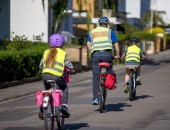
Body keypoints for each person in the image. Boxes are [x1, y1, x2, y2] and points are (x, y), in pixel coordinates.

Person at [38, 34, 75, 119]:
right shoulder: (62, 53)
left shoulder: (46, 51)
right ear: (61, 43)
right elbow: (68, 64)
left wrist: (40, 71)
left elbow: (41, 64)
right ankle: (64, 106)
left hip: (45, 76)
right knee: (65, 88)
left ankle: (42, 107)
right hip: (57, 76)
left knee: (47, 90)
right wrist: (72, 69)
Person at [86, 16, 120, 105]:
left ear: (99, 23)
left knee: (95, 77)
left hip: (96, 55)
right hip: (106, 55)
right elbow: (116, 44)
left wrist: (92, 50)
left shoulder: (92, 31)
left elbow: (88, 43)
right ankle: (112, 84)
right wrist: (117, 55)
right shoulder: (110, 31)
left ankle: (95, 98)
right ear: (107, 24)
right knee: (111, 71)